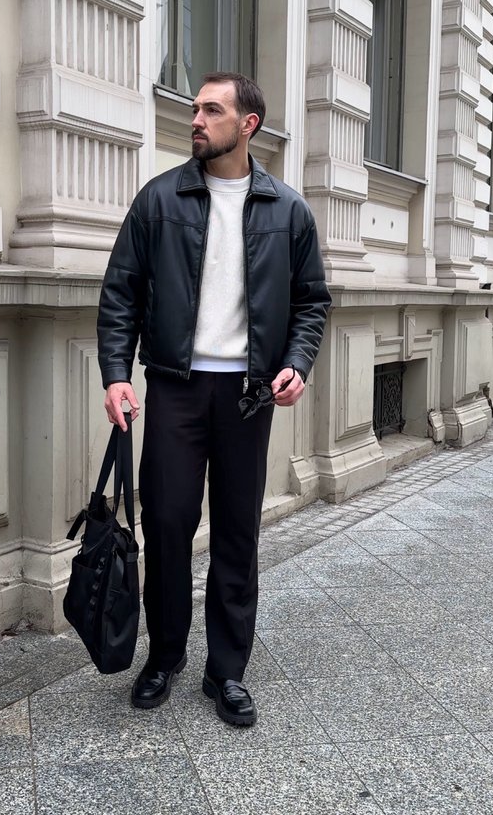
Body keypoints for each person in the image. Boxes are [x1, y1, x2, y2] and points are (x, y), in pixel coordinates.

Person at [97, 71, 331, 727]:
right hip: (174, 387)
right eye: (194, 108)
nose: (195, 119)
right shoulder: (159, 200)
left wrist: (296, 362)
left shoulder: (287, 210)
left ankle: (226, 671)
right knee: (168, 525)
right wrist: (117, 373)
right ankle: (164, 656)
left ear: (247, 124)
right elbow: (120, 292)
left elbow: (312, 301)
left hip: (249, 397)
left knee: (235, 533)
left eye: (210, 109)